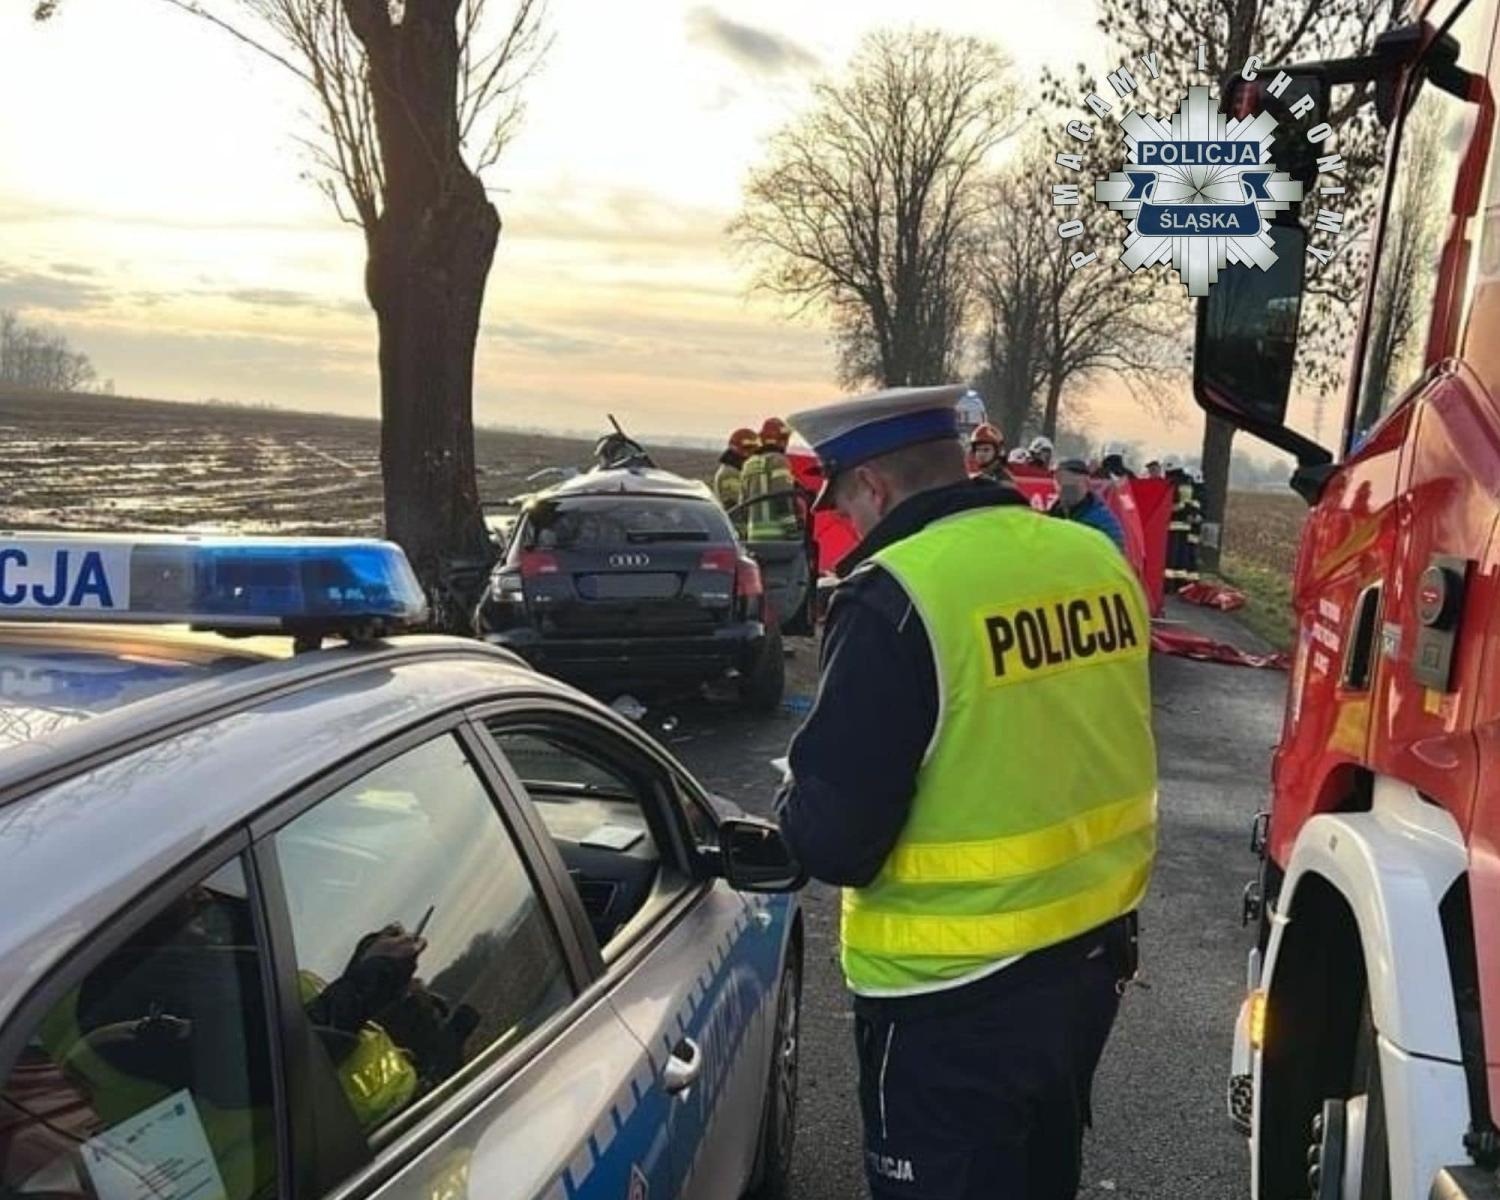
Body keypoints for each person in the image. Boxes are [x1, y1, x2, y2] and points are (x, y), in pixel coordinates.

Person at [779, 385, 1157, 1200]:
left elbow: (836, 839)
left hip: (946, 998)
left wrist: (793, 799)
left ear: (873, 487)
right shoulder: (1092, 558)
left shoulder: (894, 595)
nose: (844, 524)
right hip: (1086, 961)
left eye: (841, 501)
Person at [742, 416, 802, 541]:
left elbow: (743, 504)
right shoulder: (778, 461)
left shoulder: (749, 464)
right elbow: (782, 497)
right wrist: (793, 531)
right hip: (778, 537)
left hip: (754, 537)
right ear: (782, 440)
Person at [1053, 458, 1127, 553]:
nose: (1066, 492)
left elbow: (1115, 557)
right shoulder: (1054, 513)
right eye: (1060, 484)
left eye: (1072, 486)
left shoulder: (1102, 521)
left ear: (1087, 484)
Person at [1163, 459, 1201, 592]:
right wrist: (1190, 512)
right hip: (1186, 525)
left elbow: (1170, 505)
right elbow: (1193, 503)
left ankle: (1168, 586)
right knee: (1182, 556)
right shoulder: (1188, 484)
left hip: (1173, 524)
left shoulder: (1173, 483)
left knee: (1171, 557)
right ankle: (1181, 584)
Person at [713, 427, 759, 535]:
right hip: (738, 533)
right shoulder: (730, 474)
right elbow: (734, 506)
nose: (753, 454)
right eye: (749, 449)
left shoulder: (737, 471)